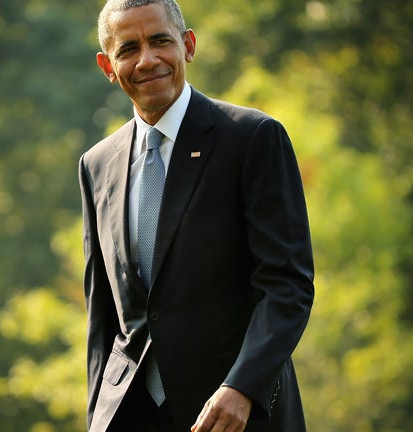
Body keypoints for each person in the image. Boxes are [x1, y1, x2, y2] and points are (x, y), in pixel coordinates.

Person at [78, 1, 314, 431]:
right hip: (133, 416)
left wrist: (243, 388)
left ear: (188, 45)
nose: (147, 60)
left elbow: (287, 285)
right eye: (128, 48)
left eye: (160, 41)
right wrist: (97, 420)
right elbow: (103, 320)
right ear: (107, 67)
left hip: (236, 414)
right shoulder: (96, 166)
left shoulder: (252, 139)